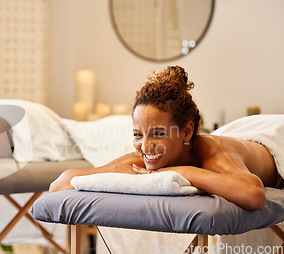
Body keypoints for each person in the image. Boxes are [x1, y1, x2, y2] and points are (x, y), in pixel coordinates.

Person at [49, 65, 283, 211]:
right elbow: (59, 184)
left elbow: (254, 196)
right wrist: (111, 171)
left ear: (187, 132)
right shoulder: (147, 157)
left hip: (271, 136)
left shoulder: (212, 153)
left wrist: (184, 172)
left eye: (158, 134)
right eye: (137, 134)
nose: (145, 146)